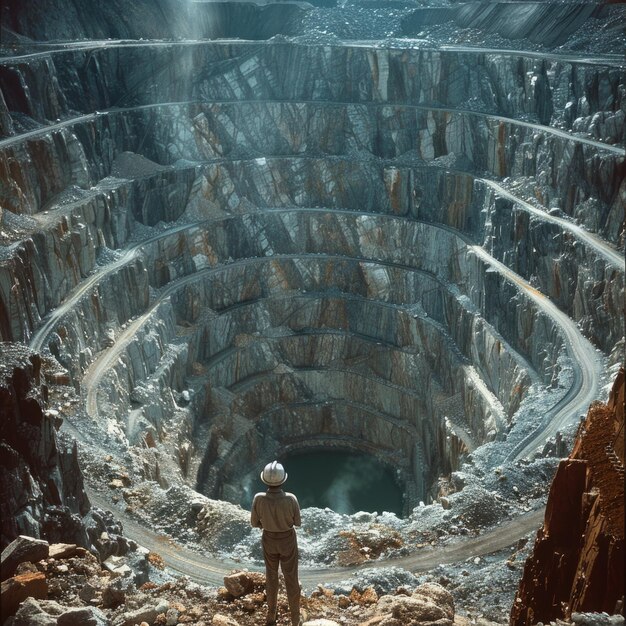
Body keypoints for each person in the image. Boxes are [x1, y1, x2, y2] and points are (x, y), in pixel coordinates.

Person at [251, 461, 302, 626]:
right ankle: (295, 619)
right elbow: (298, 522)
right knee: (291, 578)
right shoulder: (291, 499)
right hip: (287, 540)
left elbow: (254, 523)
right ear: (283, 480)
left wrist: (266, 524)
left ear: (264, 480)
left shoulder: (258, 499)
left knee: (271, 577)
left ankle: (271, 617)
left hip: (269, 540)